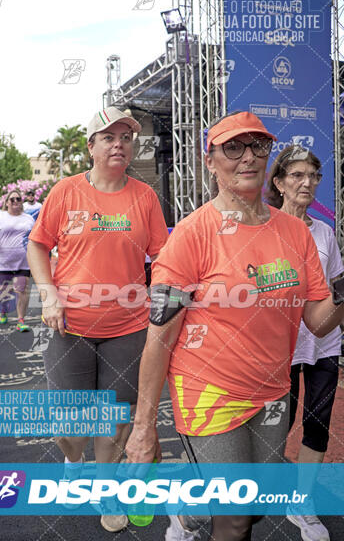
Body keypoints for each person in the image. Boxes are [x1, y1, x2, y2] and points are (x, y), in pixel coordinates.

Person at [125, 111, 344, 541]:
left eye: (258, 146)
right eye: (233, 148)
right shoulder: (191, 235)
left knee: (256, 505)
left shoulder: (295, 233)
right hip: (207, 391)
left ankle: (186, 509)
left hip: (272, 392)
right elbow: (159, 338)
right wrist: (144, 426)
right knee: (235, 517)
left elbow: (319, 323)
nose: (248, 157)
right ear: (210, 161)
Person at [27, 106, 169, 533]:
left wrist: (162, 291)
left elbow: (162, 255)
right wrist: (49, 295)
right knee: (67, 427)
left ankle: (107, 492)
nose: (119, 144)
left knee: (113, 421)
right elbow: (37, 246)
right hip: (69, 327)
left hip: (127, 329)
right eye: (108, 137)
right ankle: (73, 461)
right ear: (91, 147)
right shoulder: (66, 192)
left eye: (126, 137)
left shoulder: (144, 197)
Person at [267, 146, 343, 541]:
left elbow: (334, 289)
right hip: (276, 348)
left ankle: (302, 502)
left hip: (323, 345)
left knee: (316, 426)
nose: (307, 183)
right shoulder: (262, 229)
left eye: (312, 176)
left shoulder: (325, 232)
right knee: (274, 430)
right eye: (296, 175)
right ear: (278, 183)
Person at [0, 189, 35, 332]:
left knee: (22, 289)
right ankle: (3, 309)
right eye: (12, 199)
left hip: (23, 261)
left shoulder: (28, 219)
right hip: (3, 262)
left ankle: (21, 320)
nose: (15, 201)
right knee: (4, 291)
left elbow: (34, 237)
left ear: (21, 202)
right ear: (7, 202)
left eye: (18, 199)